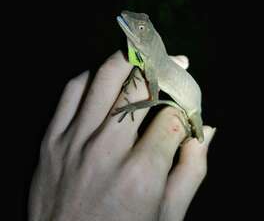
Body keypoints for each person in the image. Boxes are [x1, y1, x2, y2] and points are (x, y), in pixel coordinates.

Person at [28, 51, 216, 221]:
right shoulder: (150, 62)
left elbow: (153, 99)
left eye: (142, 28)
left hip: (191, 110)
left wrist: (132, 105)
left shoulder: (154, 65)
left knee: (197, 136)